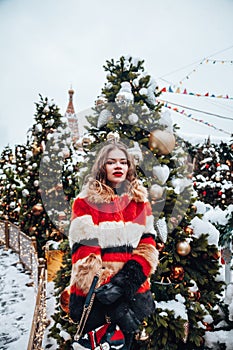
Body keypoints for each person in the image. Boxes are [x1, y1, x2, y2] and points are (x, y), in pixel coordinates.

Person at [68, 140, 159, 349]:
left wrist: (125, 284)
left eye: (123, 162)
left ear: (129, 167)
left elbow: (148, 246)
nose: (118, 166)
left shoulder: (140, 203)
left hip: (134, 295)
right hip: (98, 301)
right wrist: (113, 299)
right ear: (102, 166)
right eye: (111, 162)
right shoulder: (85, 202)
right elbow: (85, 256)